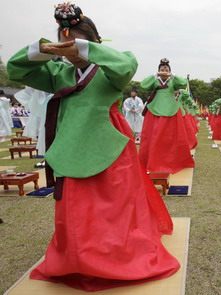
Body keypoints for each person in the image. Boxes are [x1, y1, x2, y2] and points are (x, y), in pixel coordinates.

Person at [7, 3, 179, 291]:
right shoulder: (58, 73)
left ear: (92, 43)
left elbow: (127, 66)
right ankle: (76, 258)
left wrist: (84, 48)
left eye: (74, 43)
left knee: (113, 209)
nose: (70, 53)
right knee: (75, 211)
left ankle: (114, 257)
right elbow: (16, 69)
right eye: (65, 42)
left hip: (109, 147)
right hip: (71, 146)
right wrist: (46, 49)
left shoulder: (112, 69)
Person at [139, 58, 194, 173]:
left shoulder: (173, 82)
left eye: (167, 68)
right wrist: (155, 75)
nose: (164, 70)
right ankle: (152, 161)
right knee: (153, 137)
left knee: (171, 138)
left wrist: (172, 75)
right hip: (154, 110)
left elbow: (183, 83)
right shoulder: (155, 81)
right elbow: (143, 85)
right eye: (162, 68)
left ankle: (171, 161)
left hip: (171, 111)